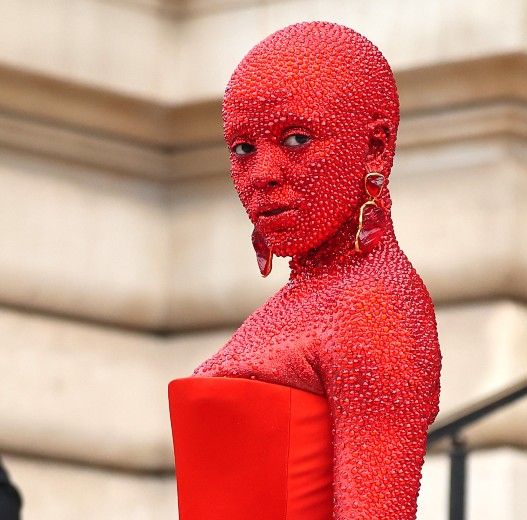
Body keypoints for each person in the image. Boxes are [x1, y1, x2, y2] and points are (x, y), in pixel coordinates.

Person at [168, 22, 441, 519]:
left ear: (375, 146)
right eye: (243, 148)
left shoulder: (375, 305)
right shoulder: (307, 298)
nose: (263, 175)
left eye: (295, 139)